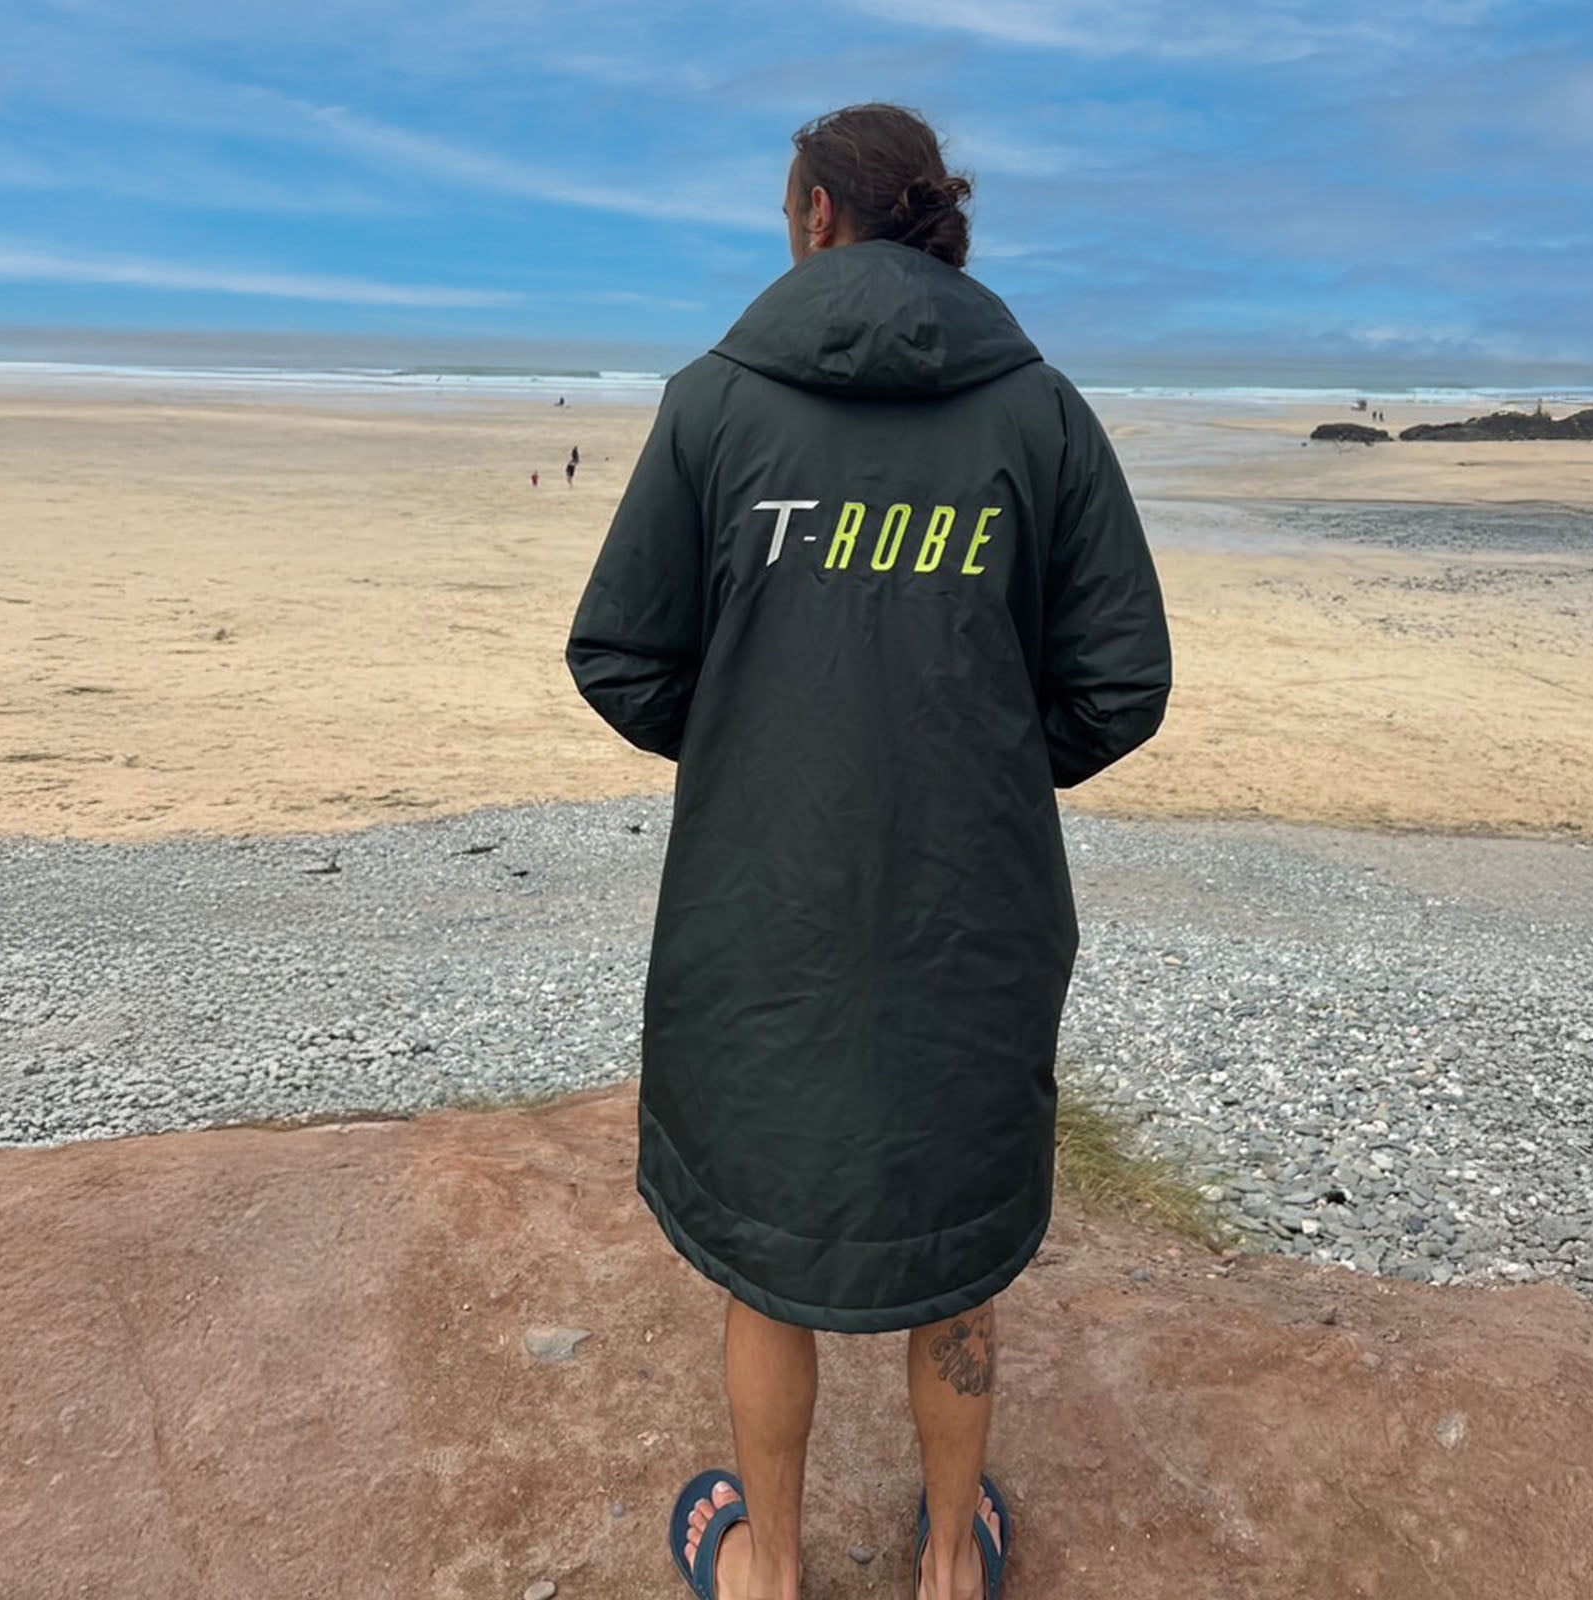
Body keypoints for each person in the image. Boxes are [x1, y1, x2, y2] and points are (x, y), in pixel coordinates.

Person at [566, 102, 1170, 1600]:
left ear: (822, 219)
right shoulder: (1040, 414)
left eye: (786, 209)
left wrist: (770, 754)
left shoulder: (715, 405)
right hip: (973, 912)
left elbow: (622, 659)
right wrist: (973, 768)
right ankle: (950, 1566)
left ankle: (768, 1571)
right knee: (950, 1240)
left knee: (767, 1244)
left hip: (758, 914)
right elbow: (1118, 686)